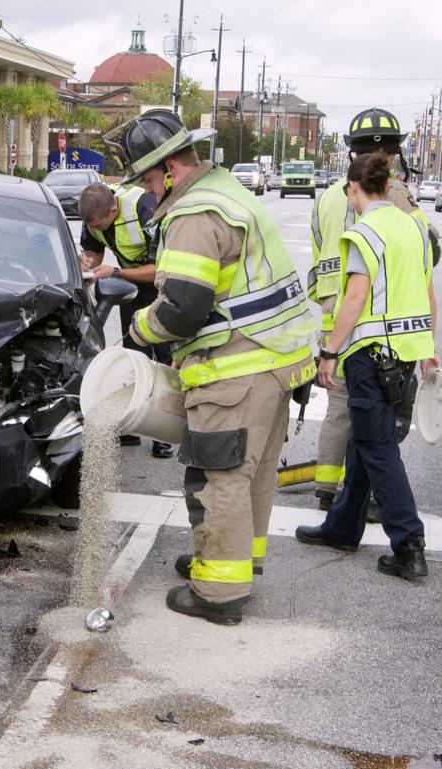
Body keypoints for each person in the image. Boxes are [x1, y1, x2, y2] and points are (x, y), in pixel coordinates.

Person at [111, 109, 317, 624]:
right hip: (277, 360)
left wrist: (137, 333)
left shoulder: (194, 214)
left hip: (235, 368)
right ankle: (233, 560)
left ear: (170, 171)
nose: (146, 193)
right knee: (252, 473)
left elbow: (182, 307)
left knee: (217, 477)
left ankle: (218, 592)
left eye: (147, 182)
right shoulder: (227, 190)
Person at [296, 152, 438, 580]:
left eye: (349, 193)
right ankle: (342, 527)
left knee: (377, 447)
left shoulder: (365, 233)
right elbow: (429, 291)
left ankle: (409, 544)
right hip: (408, 352)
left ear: (354, 189)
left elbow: (354, 299)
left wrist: (330, 350)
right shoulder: (414, 226)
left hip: (372, 356)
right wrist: (431, 345)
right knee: (365, 439)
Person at [308, 108, 440, 512]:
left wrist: (329, 344)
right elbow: (425, 256)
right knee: (375, 418)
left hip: (335, 311)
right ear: (391, 155)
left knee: (339, 408)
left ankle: (328, 490)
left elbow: (317, 252)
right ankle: (360, 496)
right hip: (368, 319)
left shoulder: (327, 197)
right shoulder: (394, 197)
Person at [77, 180, 173, 458]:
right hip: (131, 285)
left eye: (101, 225)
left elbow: (159, 269)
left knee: (162, 356)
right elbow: (94, 252)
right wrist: (88, 263)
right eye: (93, 226)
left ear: (113, 209)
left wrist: (115, 273)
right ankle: (132, 421)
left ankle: (162, 432)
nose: (98, 230)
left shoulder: (145, 208)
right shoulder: (94, 216)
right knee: (133, 352)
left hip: (161, 285)